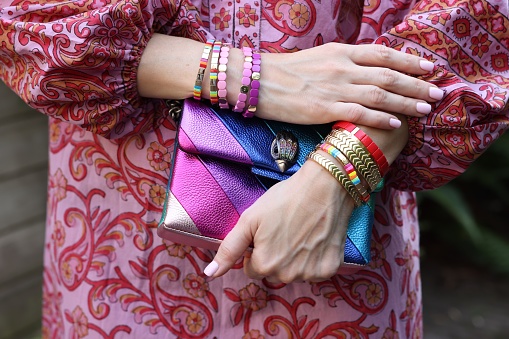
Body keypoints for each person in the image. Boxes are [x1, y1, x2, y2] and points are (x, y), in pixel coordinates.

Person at [0, 0, 508, 337]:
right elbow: (27, 20)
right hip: (117, 248)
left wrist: (338, 174)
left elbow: (474, 22)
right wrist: (259, 78)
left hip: (336, 239)